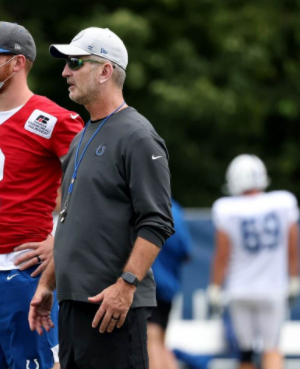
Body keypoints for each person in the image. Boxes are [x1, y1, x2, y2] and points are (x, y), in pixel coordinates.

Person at [29, 27, 174, 369]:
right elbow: (71, 222)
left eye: (76, 62)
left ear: (105, 71)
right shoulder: (83, 135)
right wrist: (49, 284)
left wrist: (126, 286)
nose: (65, 71)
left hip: (112, 308)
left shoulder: (137, 136)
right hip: (74, 305)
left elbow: (157, 222)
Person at [0, 21, 83, 369]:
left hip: (22, 268)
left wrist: (61, 239)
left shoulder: (53, 119)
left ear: (18, 62)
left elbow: (90, 184)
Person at [208, 154, 300, 369]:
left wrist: (215, 287)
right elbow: (293, 249)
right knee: (272, 349)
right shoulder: (283, 202)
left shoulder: (226, 208)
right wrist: (294, 278)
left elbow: (222, 255)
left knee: (245, 353)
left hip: (240, 289)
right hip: (272, 289)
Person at [148, 199, 192, 369]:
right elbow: (186, 251)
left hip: (148, 283)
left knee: (151, 339)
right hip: (169, 286)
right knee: (160, 342)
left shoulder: (142, 205)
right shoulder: (176, 211)